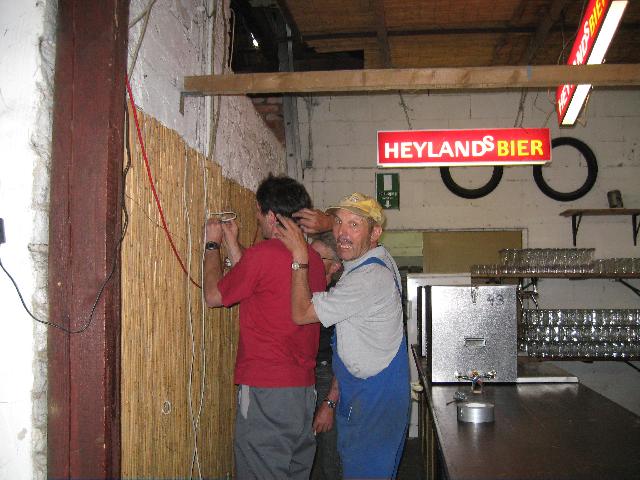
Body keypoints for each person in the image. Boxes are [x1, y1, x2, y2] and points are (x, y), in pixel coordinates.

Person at [278, 192, 410, 479]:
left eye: (354, 225)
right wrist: (332, 399)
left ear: (375, 233)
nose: (342, 233)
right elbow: (353, 344)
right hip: (364, 393)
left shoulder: (368, 278)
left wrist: (300, 256)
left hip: (375, 400)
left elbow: (301, 313)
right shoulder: (377, 260)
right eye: (338, 222)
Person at [203, 174, 326, 480]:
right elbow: (263, 281)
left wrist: (212, 244)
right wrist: (233, 245)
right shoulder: (313, 261)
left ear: (272, 217)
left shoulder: (262, 256)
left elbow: (213, 296)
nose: (257, 221)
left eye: (258, 214)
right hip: (303, 393)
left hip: (267, 391)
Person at [309, 232, 343, 480]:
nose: (310, 261)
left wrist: (330, 402)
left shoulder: (341, 296)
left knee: (331, 456)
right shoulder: (304, 287)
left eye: (318, 257)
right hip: (303, 376)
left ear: (335, 265)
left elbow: (347, 355)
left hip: (327, 375)